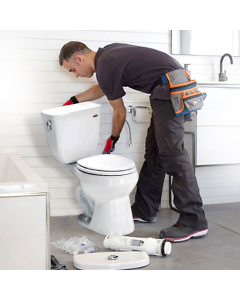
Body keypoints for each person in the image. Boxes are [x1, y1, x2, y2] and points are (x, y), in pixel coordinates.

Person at [59, 41, 208, 243]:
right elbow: (104, 87)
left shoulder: (106, 65)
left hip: (170, 89)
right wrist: (72, 101)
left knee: (173, 155)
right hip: (169, 87)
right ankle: (145, 209)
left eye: (73, 69)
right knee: (155, 153)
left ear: (79, 58)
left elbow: (119, 112)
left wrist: (112, 139)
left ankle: (194, 220)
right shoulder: (108, 56)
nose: (76, 74)